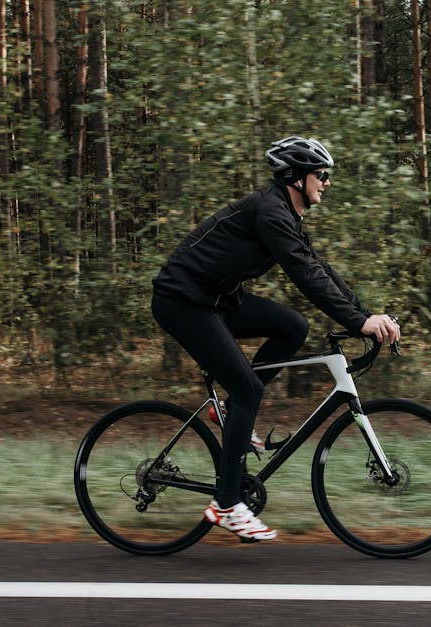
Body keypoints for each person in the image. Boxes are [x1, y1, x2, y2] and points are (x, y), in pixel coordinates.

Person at [151, 136, 401, 542]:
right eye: (321, 175)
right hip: (183, 302)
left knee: (293, 326)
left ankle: (230, 413)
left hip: (217, 300)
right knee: (248, 388)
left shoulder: (284, 214)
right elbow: (305, 277)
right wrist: (359, 322)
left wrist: (364, 315)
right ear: (296, 178)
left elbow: (318, 268)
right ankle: (227, 504)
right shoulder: (270, 213)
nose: (327, 182)